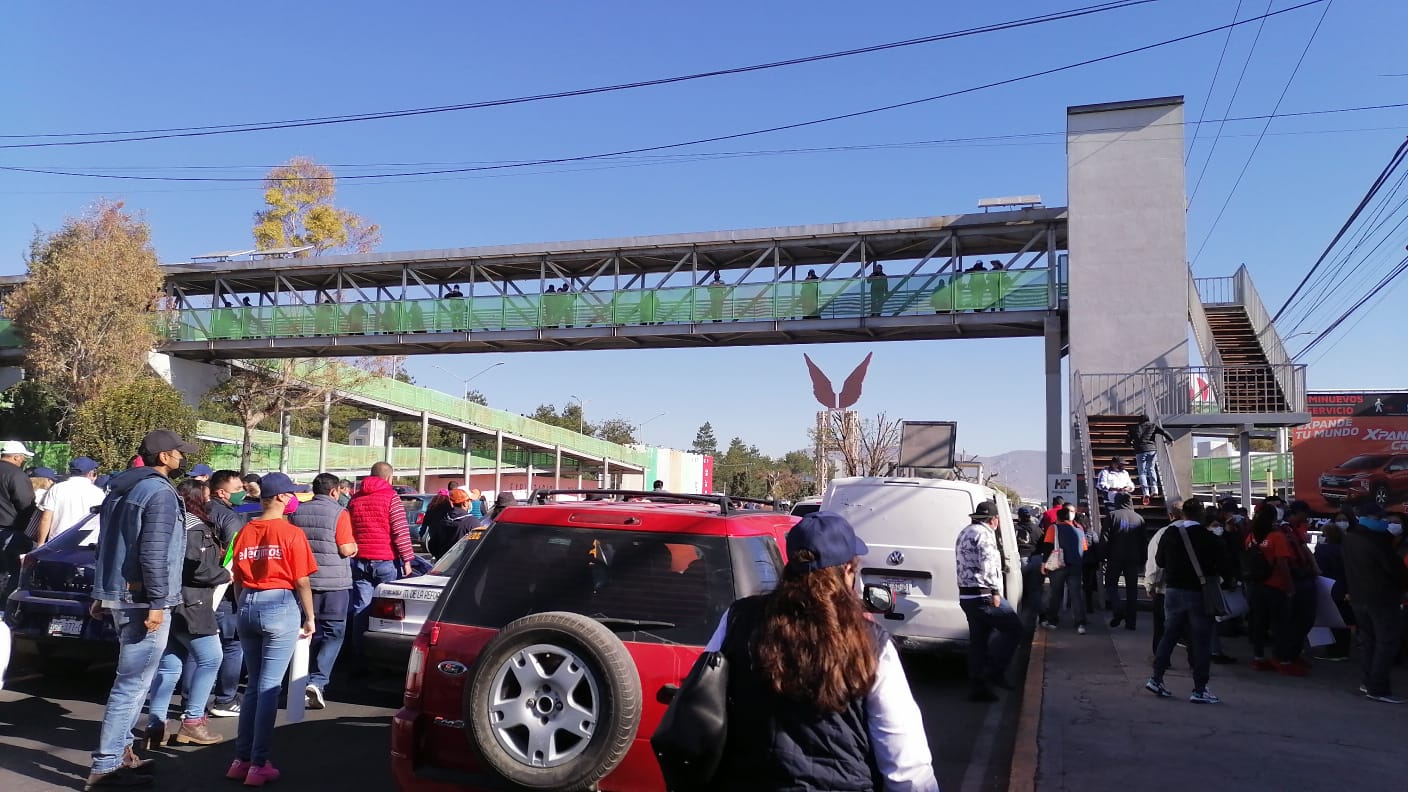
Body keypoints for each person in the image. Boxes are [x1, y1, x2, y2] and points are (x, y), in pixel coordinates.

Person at [703, 511, 938, 790]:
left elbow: (702, 695)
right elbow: (906, 765)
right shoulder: (870, 642)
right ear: (848, 570)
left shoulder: (738, 618)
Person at [87, 429, 196, 790]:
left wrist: (101, 593)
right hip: (142, 600)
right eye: (179, 452)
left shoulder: (120, 489)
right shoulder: (160, 493)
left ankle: (122, 755)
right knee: (132, 685)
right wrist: (158, 602)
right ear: (163, 457)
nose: (182, 457)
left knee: (134, 682)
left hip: (123, 596)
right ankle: (106, 766)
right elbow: (152, 552)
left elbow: (107, 543)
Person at [226, 473, 318, 785]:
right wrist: (310, 617)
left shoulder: (246, 530)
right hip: (279, 605)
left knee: (253, 687)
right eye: (291, 493)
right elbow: (302, 580)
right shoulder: (292, 534)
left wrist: (242, 607)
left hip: (248, 603)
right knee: (268, 688)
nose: (294, 498)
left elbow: (237, 577)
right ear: (280, 497)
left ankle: (241, 759)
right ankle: (258, 763)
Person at [140, 479, 228, 750]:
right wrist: (227, 573)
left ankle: (157, 725)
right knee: (212, 658)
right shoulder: (196, 529)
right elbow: (197, 569)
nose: (209, 499)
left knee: (170, 663)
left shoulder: (172, 523)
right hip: (193, 603)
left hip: (167, 601)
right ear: (196, 498)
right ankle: (193, 722)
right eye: (206, 495)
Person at [1145, 497, 1227, 704]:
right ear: (1201, 515)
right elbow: (1224, 563)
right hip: (1198, 592)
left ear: (1183, 514)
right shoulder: (1208, 537)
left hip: (1172, 591)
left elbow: (1159, 561)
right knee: (1200, 640)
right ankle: (1200, 688)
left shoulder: (1170, 533)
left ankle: (1156, 678)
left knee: (1169, 635)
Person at [288, 473, 357, 710]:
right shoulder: (340, 513)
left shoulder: (297, 512)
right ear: (335, 491)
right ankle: (317, 681)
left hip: (303, 582)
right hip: (334, 584)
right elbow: (346, 548)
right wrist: (355, 547)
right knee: (333, 633)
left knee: (303, 632)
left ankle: (296, 679)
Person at [957, 501, 1024, 702]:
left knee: (978, 641)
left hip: (966, 595)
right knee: (1014, 628)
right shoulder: (985, 534)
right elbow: (988, 565)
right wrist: (995, 591)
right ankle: (994, 670)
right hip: (984, 594)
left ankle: (978, 687)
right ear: (994, 520)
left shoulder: (965, 532)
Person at [1341, 505, 1407, 703]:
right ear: (1368, 517)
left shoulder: (1350, 538)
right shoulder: (1377, 541)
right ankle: (1378, 688)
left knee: (1369, 641)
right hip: (1382, 599)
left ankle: (1368, 682)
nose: (1385, 522)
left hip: (1359, 597)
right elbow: (1396, 572)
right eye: (1381, 518)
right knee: (1386, 642)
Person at [346, 462, 414, 655]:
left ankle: (358, 654)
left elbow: (349, 529)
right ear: (389, 478)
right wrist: (407, 559)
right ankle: (383, 654)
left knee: (361, 608)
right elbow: (400, 532)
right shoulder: (392, 498)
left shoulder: (355, 499)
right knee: (389, 611)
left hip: (359, 561)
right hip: (386, 561)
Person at [206, 470, 250, 719]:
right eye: (237, 489)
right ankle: (225, 698)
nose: (242, 492)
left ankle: (194, 698)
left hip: (198, 588)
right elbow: (236, 558)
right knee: (232, 645)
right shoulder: (230, 518)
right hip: (224, 590)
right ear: (221, 492)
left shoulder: (198, 510)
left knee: (199, 644)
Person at [1245, 503, 1299, 675]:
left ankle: (1258, 658)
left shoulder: (1251, 537)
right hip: (1275, 586)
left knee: (1259, 623)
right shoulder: (1277, 537)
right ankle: (1282, 660)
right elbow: (1282, 563)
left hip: (1255, 586)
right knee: (1281, 624)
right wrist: (1290, 587)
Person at [36, 455, 105, 546]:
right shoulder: (98, 493)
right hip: (88, 543)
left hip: (58, 542)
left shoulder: (57, 489)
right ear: (90, 473)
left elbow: (46, 518)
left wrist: (40, 544)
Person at [0, 440, 37, 607]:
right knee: (12, 572)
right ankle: (5, 609)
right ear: (15, 457)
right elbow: (26, 504)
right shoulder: (16, 475)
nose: (23, 461)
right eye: (23, 458)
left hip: (7, 529)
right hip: (9, 530)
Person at [1313, 512, 1354, 661]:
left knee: (1331, 620)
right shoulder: (1346, 548)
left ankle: (1334, 651)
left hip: (1328, 587)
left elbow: (1317, 568)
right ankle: (1342, 650)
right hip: (1343, 587)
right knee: (1342, 621)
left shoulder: (1323, 550)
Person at [1040, 506, 1088, 634]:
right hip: (1076, 566)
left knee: (1056, 593)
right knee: (1076, 594)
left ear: (1059, 518)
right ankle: (1080, 624)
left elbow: (1047, 547)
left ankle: (1052, 621)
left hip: (1058, 565)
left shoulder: (1053, 528)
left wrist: (1044, 564)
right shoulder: (1079, 531)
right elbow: (1084, 549)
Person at [1105, 493, 1147, 629]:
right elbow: (1143, 542)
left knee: (1111, 585)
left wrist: (1102, 556)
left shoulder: (1112, 516)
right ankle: (1131, 622)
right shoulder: (1139, 518)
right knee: (1132, 590)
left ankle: (1118, 609)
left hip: (1114, 557)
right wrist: (1143, 560)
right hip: (1133, 558)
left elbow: (1105, 538)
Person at [1127, 415, 1174, 504]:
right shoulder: (1152, 426)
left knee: (1142, 472)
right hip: (1151, 450)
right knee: (1151, 469)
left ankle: (1146, 492)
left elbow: (1127, 440)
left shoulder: (1134, 428)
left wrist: (1133, 445)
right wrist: (1171, 439)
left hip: (1140, 451)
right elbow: (1163, 432)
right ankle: (1155, 489)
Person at [425, 488, 476, 560]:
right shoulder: (471, 522)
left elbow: (432, 544)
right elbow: (477, 546)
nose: (470, 503)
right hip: (463, 564)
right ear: (464, 503)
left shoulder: (442, 519)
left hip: (443, 563)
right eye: (469, 501)